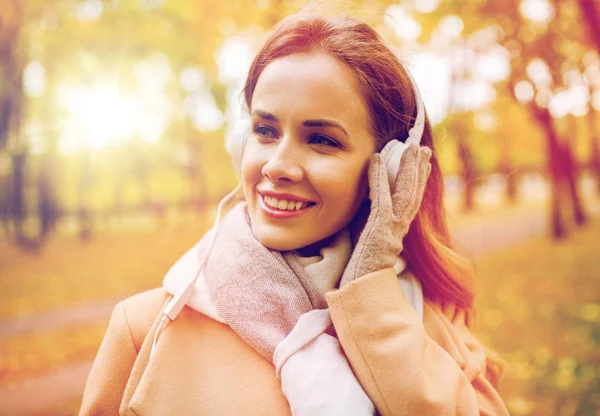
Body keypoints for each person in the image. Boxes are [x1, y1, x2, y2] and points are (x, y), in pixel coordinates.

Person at [80, 12, 509, 416]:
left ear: (391, 172)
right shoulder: (145, 330)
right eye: (265, 131)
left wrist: (372, 296)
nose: (277, 166)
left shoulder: (428, 318)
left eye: (321, 139)